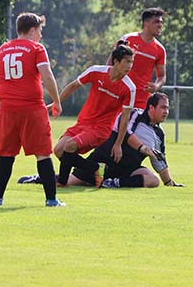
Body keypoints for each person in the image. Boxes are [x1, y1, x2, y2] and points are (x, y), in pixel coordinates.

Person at [0, 12, 65, 207]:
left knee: (5, 154)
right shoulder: (36, 48)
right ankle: (51, 199)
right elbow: (47, 76)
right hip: (32, 108)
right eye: (39, 30)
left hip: (8, 109)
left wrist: (4, 101)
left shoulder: (1, 50)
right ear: (32, 30)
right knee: (42, 153)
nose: (40, 35)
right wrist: (56, 101)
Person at [53, 41, 136, 187]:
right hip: (83, 123)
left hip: (100, 129)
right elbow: (73, 85)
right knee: (59, 150)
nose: (130, 66)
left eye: (132, 62)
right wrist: (56, 102)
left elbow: (125, 118)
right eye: (127, 62)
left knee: (70, 145)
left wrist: (118, 144)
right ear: (116, 61)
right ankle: (96, 168)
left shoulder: (129, 88)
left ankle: (62, 182)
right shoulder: (96, 71)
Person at [66, 92, 185, 188]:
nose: (166, 112)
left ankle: (113, 183)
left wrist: (169, 183)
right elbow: (126, 132)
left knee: (153, 180)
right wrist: (143, 148)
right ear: (151, 107)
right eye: (163, 107)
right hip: (103, 162)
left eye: (167, 108)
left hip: (126, 170)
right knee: (68, 182)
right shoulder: (134, 115)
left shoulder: (159, 134)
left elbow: (159, 161)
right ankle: (49, 176)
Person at [117, 7, 167, 109]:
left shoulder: (160, 49)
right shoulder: (128, 39)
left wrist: (156, 86)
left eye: (161, 22)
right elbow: (111, 63)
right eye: (156, 22)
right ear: (146, 23)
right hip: (119, 94)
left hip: (141, 100)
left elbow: (162, 76)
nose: (160, 25)